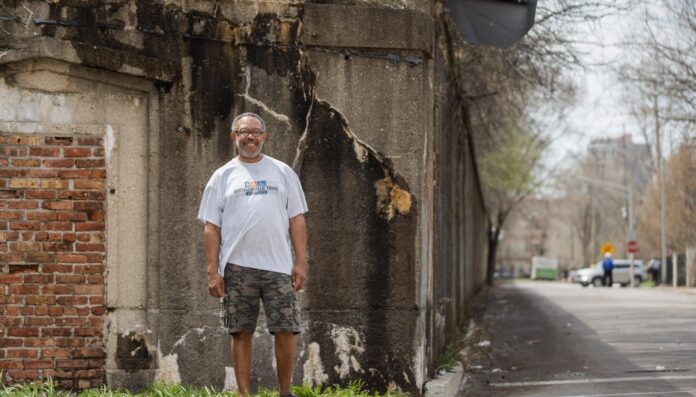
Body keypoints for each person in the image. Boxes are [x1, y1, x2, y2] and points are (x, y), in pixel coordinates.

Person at [198, 112, 308, 397]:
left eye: (256, 132)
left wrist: (300, 262)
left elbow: (297, 220)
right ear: (234, 136)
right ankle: (243, 394)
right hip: (237, 267)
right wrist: (213, 271)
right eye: (244, 132)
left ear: (265, 136)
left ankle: (285, 392)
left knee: (286, 329)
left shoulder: (283, 172)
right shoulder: (222, 176)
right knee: (240, 331)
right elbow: (211, 227)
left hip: (279, 267)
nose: (250, 137)